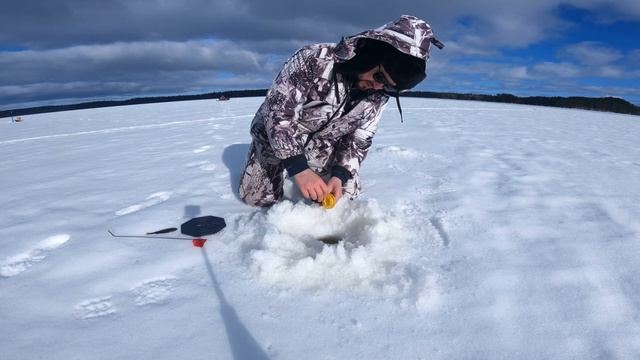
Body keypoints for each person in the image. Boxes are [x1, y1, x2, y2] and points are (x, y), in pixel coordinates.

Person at [239, 15, 444, 207]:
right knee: (257, 199)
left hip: (323, 145)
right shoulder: (314, 59)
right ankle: (271, 162)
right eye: (380, 77)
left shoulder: (378, 94)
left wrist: (340, 174)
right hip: (277, 136)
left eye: (389, 87)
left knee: (343, 197)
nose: (378, 87)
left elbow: (360, 139)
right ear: (373, 55)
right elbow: (278, 112)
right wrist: (298, 167)